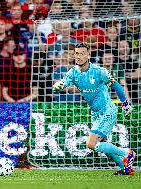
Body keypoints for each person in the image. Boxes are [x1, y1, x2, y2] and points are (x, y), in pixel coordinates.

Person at [52, 43, 135, 175]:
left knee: (91, 144)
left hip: (107, 110)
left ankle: (127, 154)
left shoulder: (99, 71)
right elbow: (60, 86)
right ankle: (126, 169)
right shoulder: (72, 73)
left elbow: (116, 85)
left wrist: (125, 104)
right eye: (77, 53)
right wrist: (57, 87)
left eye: (82, 53)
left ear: (88, 55)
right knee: (102, 146)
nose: (79, 56)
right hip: (95, 113)